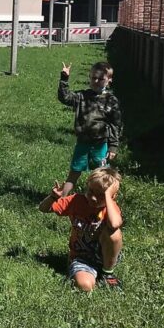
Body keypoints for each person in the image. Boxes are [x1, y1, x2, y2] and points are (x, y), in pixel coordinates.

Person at [38, 167, 124, 291]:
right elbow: (44, 209)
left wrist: (107, 197)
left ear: (111, 196)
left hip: (105, 256)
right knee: (85, 286)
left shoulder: (110, 207)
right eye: (91, 191)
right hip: (82, 258)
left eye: (100, 195)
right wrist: (53, 197)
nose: (93, 198)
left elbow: (115, 224)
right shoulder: (76, 201)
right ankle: (88, 274)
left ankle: (107, 273)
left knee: (114, 233)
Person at [56, 61, 123, 197]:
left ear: (109, 80)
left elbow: (116, 124)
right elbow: (65, 98)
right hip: (83, 143)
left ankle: (101, 201)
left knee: (101, 177)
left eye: (101, 79)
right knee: (74, 172)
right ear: (89, 77)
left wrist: (113, 146)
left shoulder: (111, 100)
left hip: (100, 145)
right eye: (93, 78)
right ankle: (61, 200)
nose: (96, 81)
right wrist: (64, 79)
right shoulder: (82, 97)